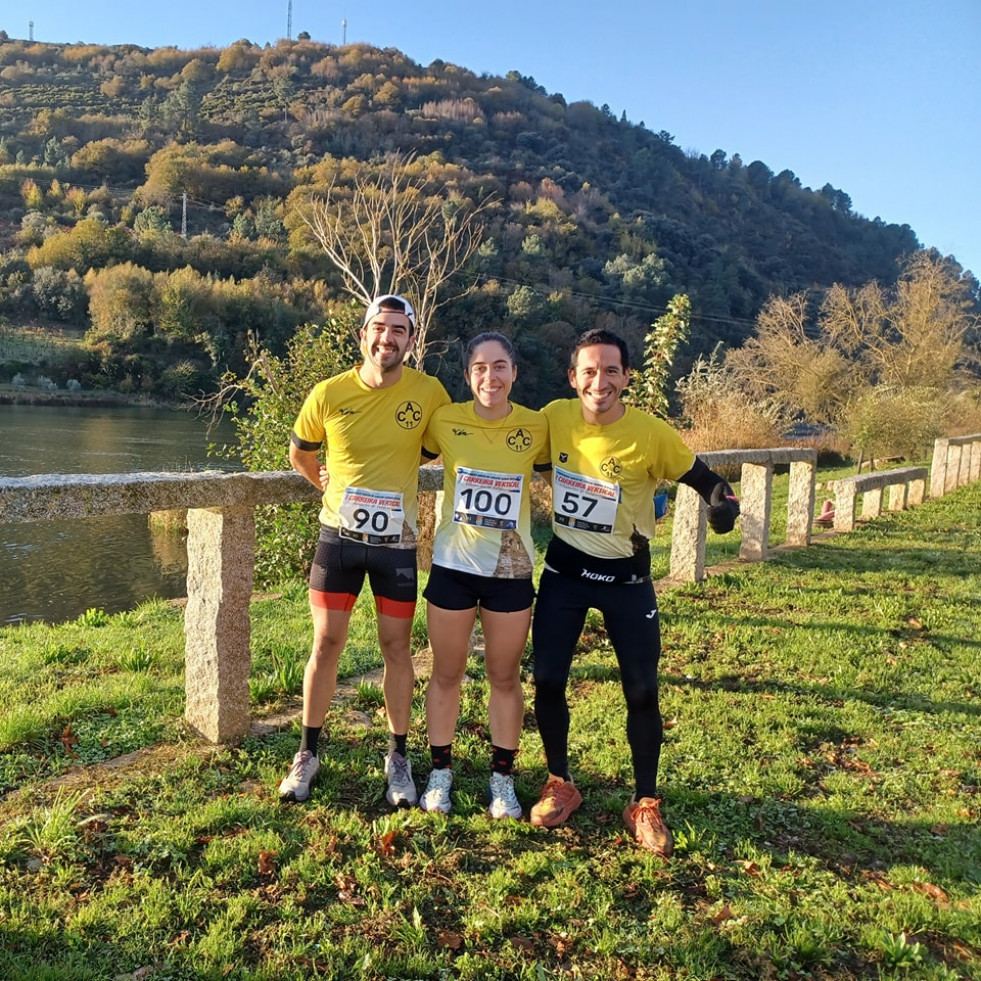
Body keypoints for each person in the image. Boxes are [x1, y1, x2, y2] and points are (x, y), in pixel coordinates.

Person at [529, 328, 740, 856]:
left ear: (626, 376)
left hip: (627, 579)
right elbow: (500, 445)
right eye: (589, 370)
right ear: (573, 377)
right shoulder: (552, 418)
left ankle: (644, 802)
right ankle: (560, 782)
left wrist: (723, 505)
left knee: (642, 692)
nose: (599, 381)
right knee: (549, 680)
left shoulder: (650, 433)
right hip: (564, 574)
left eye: (611, 370)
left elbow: (708, 480)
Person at [279, 294, 450, 806]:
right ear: (363, 334)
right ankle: (307, 753)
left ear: (411, 341)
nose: (387, 338)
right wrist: (323, 484)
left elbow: (431, 449)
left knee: (397, 649)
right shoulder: (329, 392)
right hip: (338, 539)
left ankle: (398, 756)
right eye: (379, 328)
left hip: (396, 542)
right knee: (326, 644)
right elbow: (300, 452)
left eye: (399, 330)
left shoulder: (430, 393)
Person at [419, 333, 550, 818]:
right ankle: (440, 773)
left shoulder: (538, 426)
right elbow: (394, 452)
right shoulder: (445, 420)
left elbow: (576, 461)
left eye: (499, 367)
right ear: (468, 374)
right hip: (453, 567)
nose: (489, 377)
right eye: (479, 367)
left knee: (504, 675)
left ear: (514, 373)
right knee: (446, 673)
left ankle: (502, 780)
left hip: (511, 571)